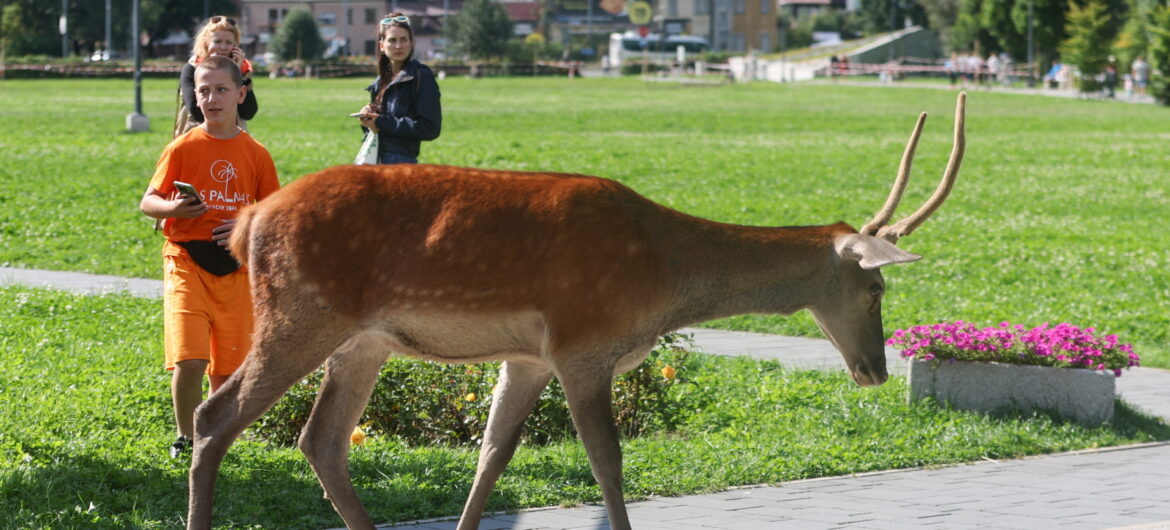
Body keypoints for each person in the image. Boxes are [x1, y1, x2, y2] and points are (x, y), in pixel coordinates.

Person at [139, 55, 280, 458]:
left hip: (236, 269)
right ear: (193, 97)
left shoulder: (256, 154)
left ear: (241, 94)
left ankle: (220, 439)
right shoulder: (181, 148)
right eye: (203, 90)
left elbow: (271, 217)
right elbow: (148, 201)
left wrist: (243, 227)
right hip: (185, 260)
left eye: (221, 90)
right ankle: (188, 439)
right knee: (190, 359)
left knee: (229, 371)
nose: (212, 98)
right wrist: (173, 210)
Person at [354, 13, 441, 165]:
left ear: (411, 43)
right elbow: (378, 129)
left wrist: (381, 122)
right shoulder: (380, 82)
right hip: (373, 157)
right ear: (382, 45)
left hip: (401, 164)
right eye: (392, 40)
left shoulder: (421, 76)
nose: (399, 46)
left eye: (403, 39)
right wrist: (369, 119)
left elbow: (429, 128)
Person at [176, 16, 258, 136]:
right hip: (196, 140)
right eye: (217, 41)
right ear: (206, 43)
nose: (223, 47)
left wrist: (236, 73)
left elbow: (249, 112)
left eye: (229, 42)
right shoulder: (191, 69)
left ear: (235, 46)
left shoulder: (241, 71)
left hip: (232, 141)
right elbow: (197, 113)